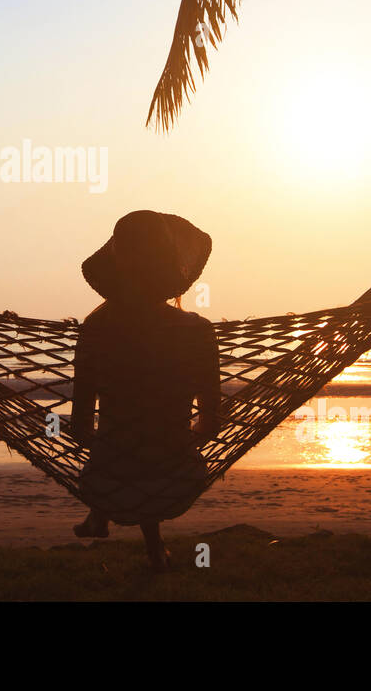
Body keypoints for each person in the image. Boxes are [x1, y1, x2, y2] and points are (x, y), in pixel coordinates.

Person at [70, 210, 222, 571]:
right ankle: (153, 548)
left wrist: (117, 447)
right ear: (172, 267)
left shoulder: (95, 332)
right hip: (178, 480)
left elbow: (79, 427)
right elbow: (211, 424)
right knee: (145, 451)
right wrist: (172, 442)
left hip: (105, 483)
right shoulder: (199, 333)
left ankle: (101, 516)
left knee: (123, 449)